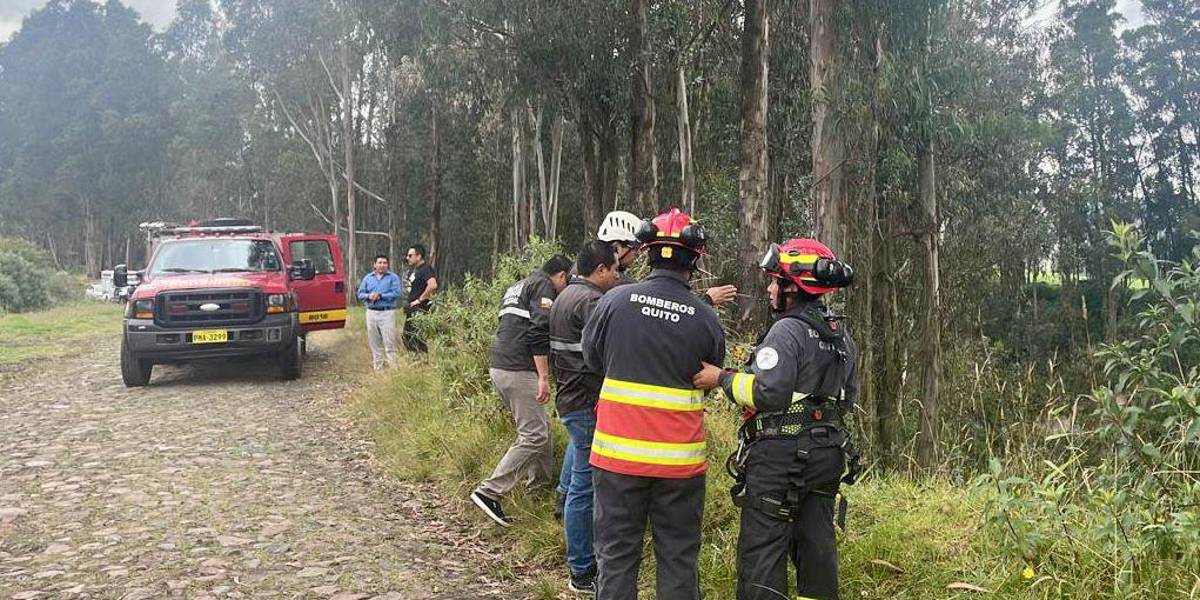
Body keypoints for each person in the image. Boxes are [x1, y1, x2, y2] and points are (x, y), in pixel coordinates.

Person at [693, 238, 860, 600]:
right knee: (817, 551)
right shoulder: (840, 334)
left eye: (775, 281)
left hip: (780, 460)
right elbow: (846, 399)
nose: (769, 289)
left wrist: (721, 378)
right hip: (827, 454)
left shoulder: (786, 330)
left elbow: (769, 392)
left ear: (793, 286)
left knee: (762, 554)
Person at [581, 208, 726, 600]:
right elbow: (710, 379)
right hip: (679, 465)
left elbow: (593, 359)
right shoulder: (705, 317)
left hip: (616, 459)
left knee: (615, 557)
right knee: (678, 560)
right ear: (694, 259)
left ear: (646, 252)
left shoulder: (614, 302)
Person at [471, 254, 573, 527]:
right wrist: (544, 376)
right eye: (568, 280)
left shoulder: (519, 285)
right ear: (561, 276)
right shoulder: (544, 287)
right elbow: (538, 332)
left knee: (541, 429)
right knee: (535, 435)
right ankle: (490, 491)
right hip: (519, 369)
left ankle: (538, 488)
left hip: (500, 366)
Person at [549, 241, 621, 594]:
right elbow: (607, 350)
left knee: (577, 476)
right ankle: (582, 569)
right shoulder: (592, 302)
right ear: (601, 270)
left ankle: (564, 519)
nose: (617, 277)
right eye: (615, 270)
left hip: (570, 398)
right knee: (585, 486)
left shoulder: (565, 296)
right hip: (586, 401)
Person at [356, 254, 403, 370]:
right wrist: (369, 295)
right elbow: (360, 294)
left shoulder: (393, 278)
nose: (382, 265)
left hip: (387, 312)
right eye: (380, 263)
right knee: (374, 342)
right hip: (371, 312)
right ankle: (378, 369)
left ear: (387, 264)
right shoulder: (368, 278)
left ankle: (394, 370)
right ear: (375, 265)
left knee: (389, 342)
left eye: (384, 263)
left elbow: (397, 293)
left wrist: (381, 296)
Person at [402, 244, 438, 353]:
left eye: (410, 255)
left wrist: (419, 300)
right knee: (408, 336)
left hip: (420, 309)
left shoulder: (426, 269)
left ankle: (422, 361)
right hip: (412, 309)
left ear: (418, 256)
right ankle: (416, 361)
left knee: (416, 337)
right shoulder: (415, 270)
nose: (407, 258)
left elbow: (433, 285)